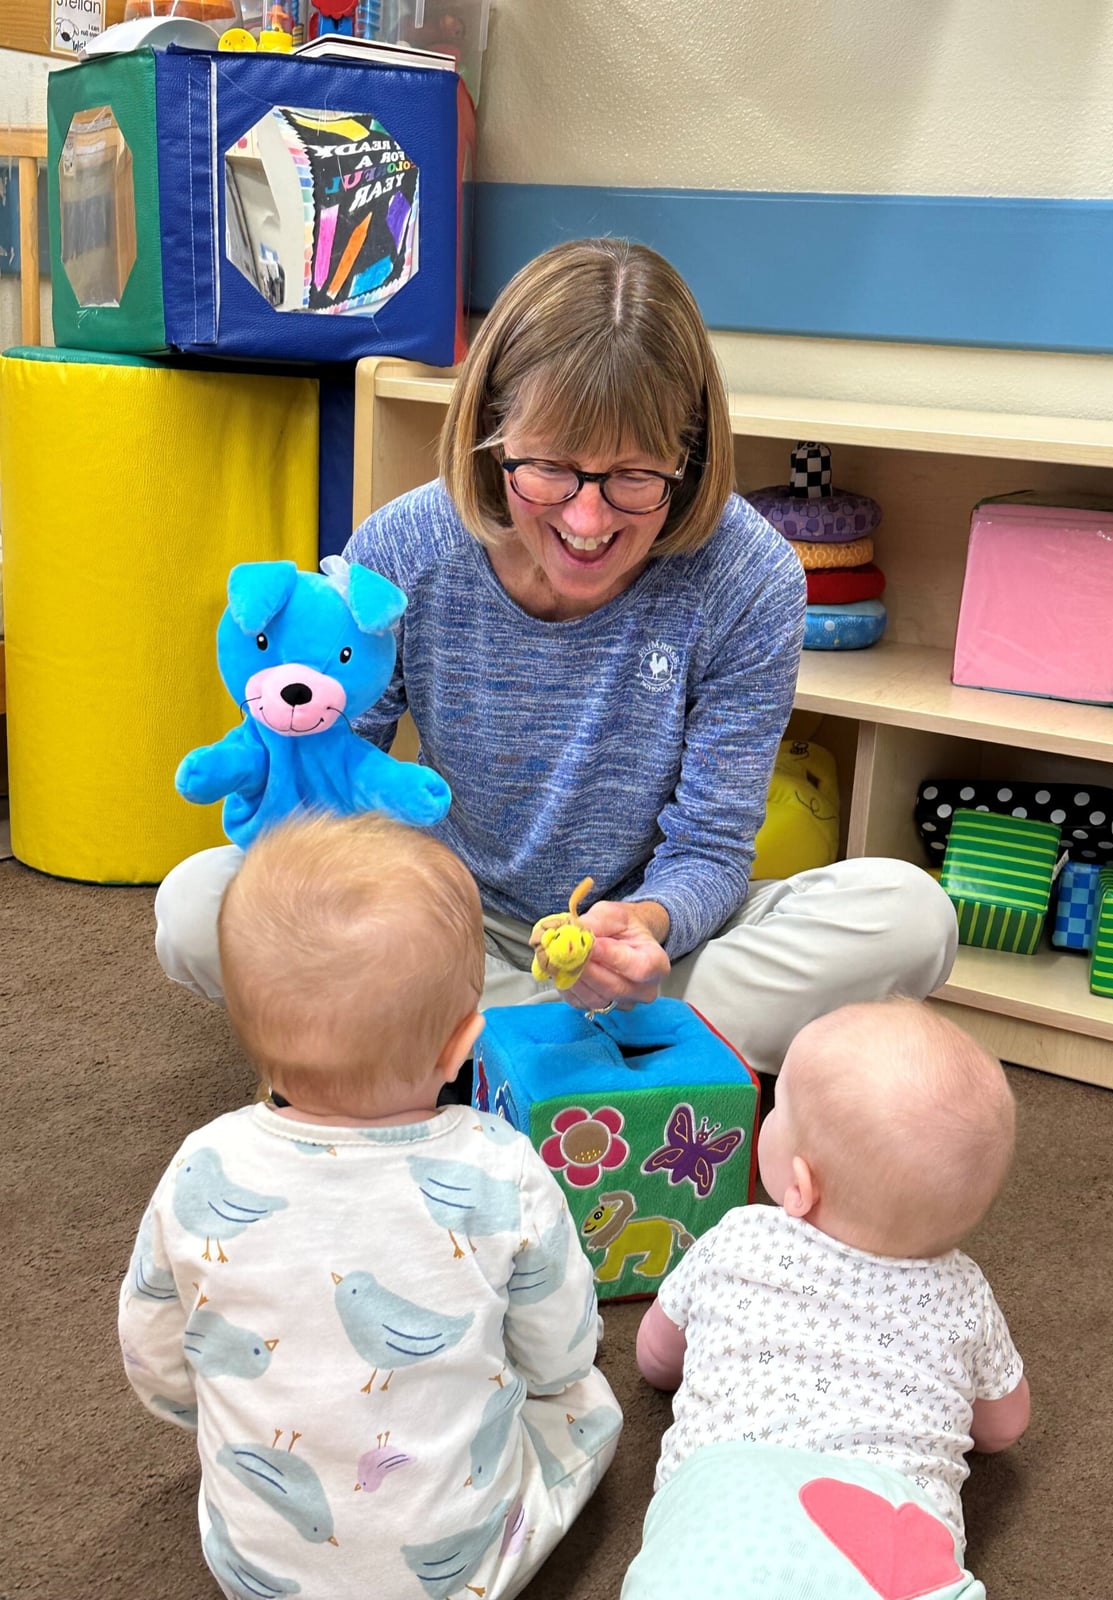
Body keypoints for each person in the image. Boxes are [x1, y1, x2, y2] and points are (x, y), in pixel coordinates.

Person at [155, 237, 957, 1079]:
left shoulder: (748, 576)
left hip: (646, 954)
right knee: (197, 905)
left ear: (688, 461)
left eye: (635, 477)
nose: (586, 520)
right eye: (547, 470)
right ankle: (612, 1063)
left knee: (910, 915)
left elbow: (713, 847)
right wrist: (397, 919)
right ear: (492, 436)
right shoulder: (405, 547)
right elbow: (334, 775)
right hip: (443, 927)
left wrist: (645, 926)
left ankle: (476, 1054)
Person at [119, 813, 621, 1600]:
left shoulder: (202, 1161)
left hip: (258, 1570)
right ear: (464, 1047)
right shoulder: (500, 1164)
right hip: (467, 1570)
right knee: (588, 1408)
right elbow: (559, 1356)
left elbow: (155, 1359)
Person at [624, 997, 1030, 1598]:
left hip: (724, 1510)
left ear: (799, 1185)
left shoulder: (738, 1236)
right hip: (890, 1528)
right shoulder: (964, 1292)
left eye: (777, 1106)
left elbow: (655, 1360)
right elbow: (1005, 1425)